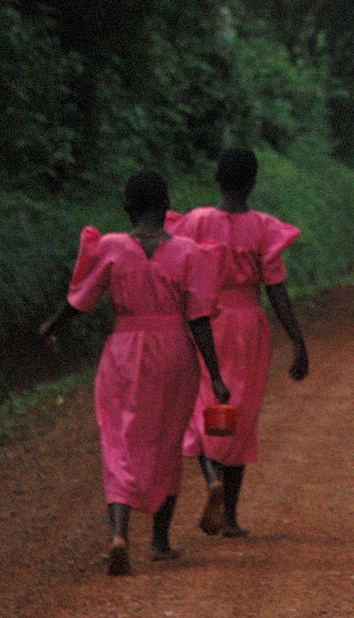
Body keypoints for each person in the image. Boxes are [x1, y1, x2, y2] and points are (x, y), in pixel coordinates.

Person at [40, 169, 231, 573]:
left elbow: (79, 302)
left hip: (124, 352)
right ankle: (160, 540)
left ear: (127, 208)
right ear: (167, 207)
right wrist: (215, 374)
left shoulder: (109, 247)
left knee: (118, 439)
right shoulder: (189, 252)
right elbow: (198, 319)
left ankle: (119, 534)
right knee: (167, 438)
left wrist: (51, 327)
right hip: (175, 353)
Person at [174, 147, 310, 538]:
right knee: (240, 416)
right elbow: (277, 290)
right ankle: (230, 516)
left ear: (216, 179)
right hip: (248, 326)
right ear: (253, 183)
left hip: (206, 323)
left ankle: (210, 477)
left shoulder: (196, 221)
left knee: (204, 405)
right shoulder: (265, 227)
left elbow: (171, 262)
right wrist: (298, 341)